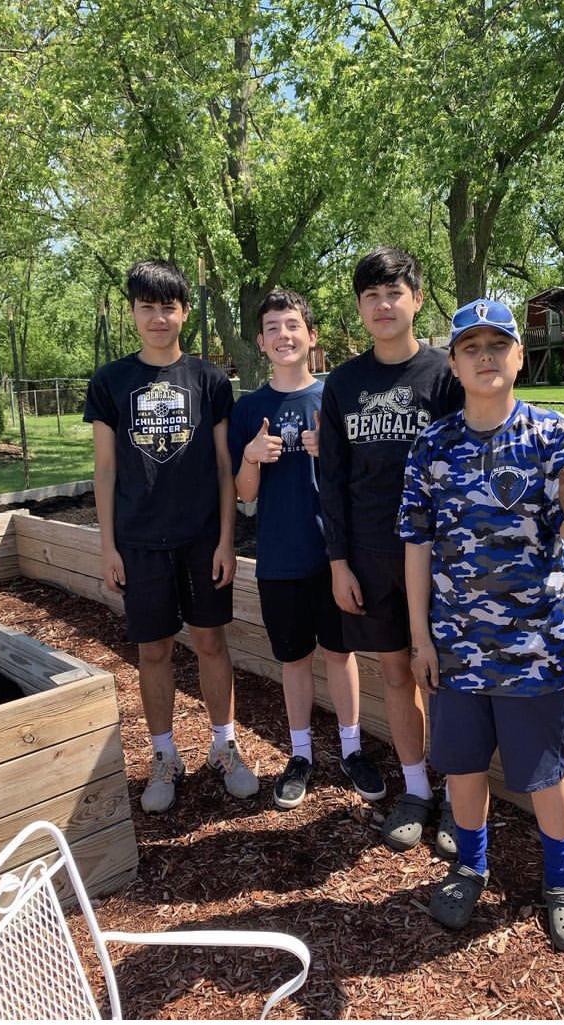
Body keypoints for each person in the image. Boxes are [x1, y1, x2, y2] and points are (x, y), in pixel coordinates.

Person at [397, 297, 564, 948]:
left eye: (497, 345)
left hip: (534, 645)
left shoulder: (550, 436)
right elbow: (416, 547)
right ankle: (470, 865)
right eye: (471, 348)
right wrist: (420, 638)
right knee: (461, 767)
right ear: (454, 364)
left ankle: (562, 882)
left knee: (545, 773)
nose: (485, 357)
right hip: (457, 646)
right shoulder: (432, 446)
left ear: (518, 357)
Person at [84, 259, 258, 814]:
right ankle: (164, 756)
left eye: (169, 307)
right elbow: (105, 471)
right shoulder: (110, 382)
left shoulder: (209, 381)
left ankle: (223, 745)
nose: (158, 318)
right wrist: (108, 546)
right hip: (139, 541)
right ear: (133, 312)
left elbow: (225, 467)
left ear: (184, 312)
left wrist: (227, 540)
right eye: (147, 307)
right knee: (152, 649)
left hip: (202, 537)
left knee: (210, 642)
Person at [318, 246, 464, 856]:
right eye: (371, 296)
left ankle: (459, 797)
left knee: (445, 680)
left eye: (394, 293)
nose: (383, 305)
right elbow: (331, 478)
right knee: (397, 674)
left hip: (441, 558)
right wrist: (339, 563)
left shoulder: (445, 377)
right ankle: (416, 790)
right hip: (371, 558)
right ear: (360, 307)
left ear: (417, 300)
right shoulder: (343, 384)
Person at [228, 289, 385, 809]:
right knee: (294, 660)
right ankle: (300, 756)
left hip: (334, 558)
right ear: (260, 341)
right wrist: (251, 456)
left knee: (340, 655)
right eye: (272, 327)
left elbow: (359, 478)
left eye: (292, 325)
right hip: (279, 559)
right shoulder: (250, 409)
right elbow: (244, 494)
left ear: (311, 336)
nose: (283, 335)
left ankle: (352, 749)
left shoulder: (333, 399)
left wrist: (328, 453)